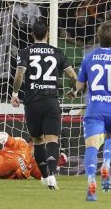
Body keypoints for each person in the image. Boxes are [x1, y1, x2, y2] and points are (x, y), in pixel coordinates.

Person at [67, 21, 111, 201]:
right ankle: (106, 163)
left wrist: (74, 91)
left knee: (91, 146)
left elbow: (80, 85)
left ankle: (91, 180)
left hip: (95, 107)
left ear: (98, 37)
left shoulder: (89, 57)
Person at [10, 20, 78, 190]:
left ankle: (45, 176)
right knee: (53, 140)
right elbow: (73, 75)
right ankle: (52, 176)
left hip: (32, 102)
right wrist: (75, 91)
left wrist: (15, 94)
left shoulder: (25, 51)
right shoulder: (56, 52)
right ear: (47, 33)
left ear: (32, 34)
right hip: (51, 101)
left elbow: (19, 74)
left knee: (38, 140)